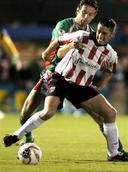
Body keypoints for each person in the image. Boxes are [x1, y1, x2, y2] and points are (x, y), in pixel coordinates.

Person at [3, 18, 128, 161]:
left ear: (112, 35)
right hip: (61, 78)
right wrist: (46, 53)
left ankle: (113, 154)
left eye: (105, 33)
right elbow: (58, 40)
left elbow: (110, 70)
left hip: (81, 86)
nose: (100, 35)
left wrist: (100, 86)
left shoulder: (111, 54)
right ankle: (15, 136)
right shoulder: (82, 36)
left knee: (110, 113)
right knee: (48, 111)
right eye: (99, 31)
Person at [19, 0, 100, 143]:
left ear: (94, 16)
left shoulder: (92, 35)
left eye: (90, 14)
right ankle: (28, 139)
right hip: (54, 75)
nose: (86, 17)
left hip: (74, 80)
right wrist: (72, 45)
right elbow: (57, 52)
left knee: (100, 115)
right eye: (84, 12)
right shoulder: (64, 25)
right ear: (77, 10)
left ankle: (116, 150)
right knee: (26, 111)